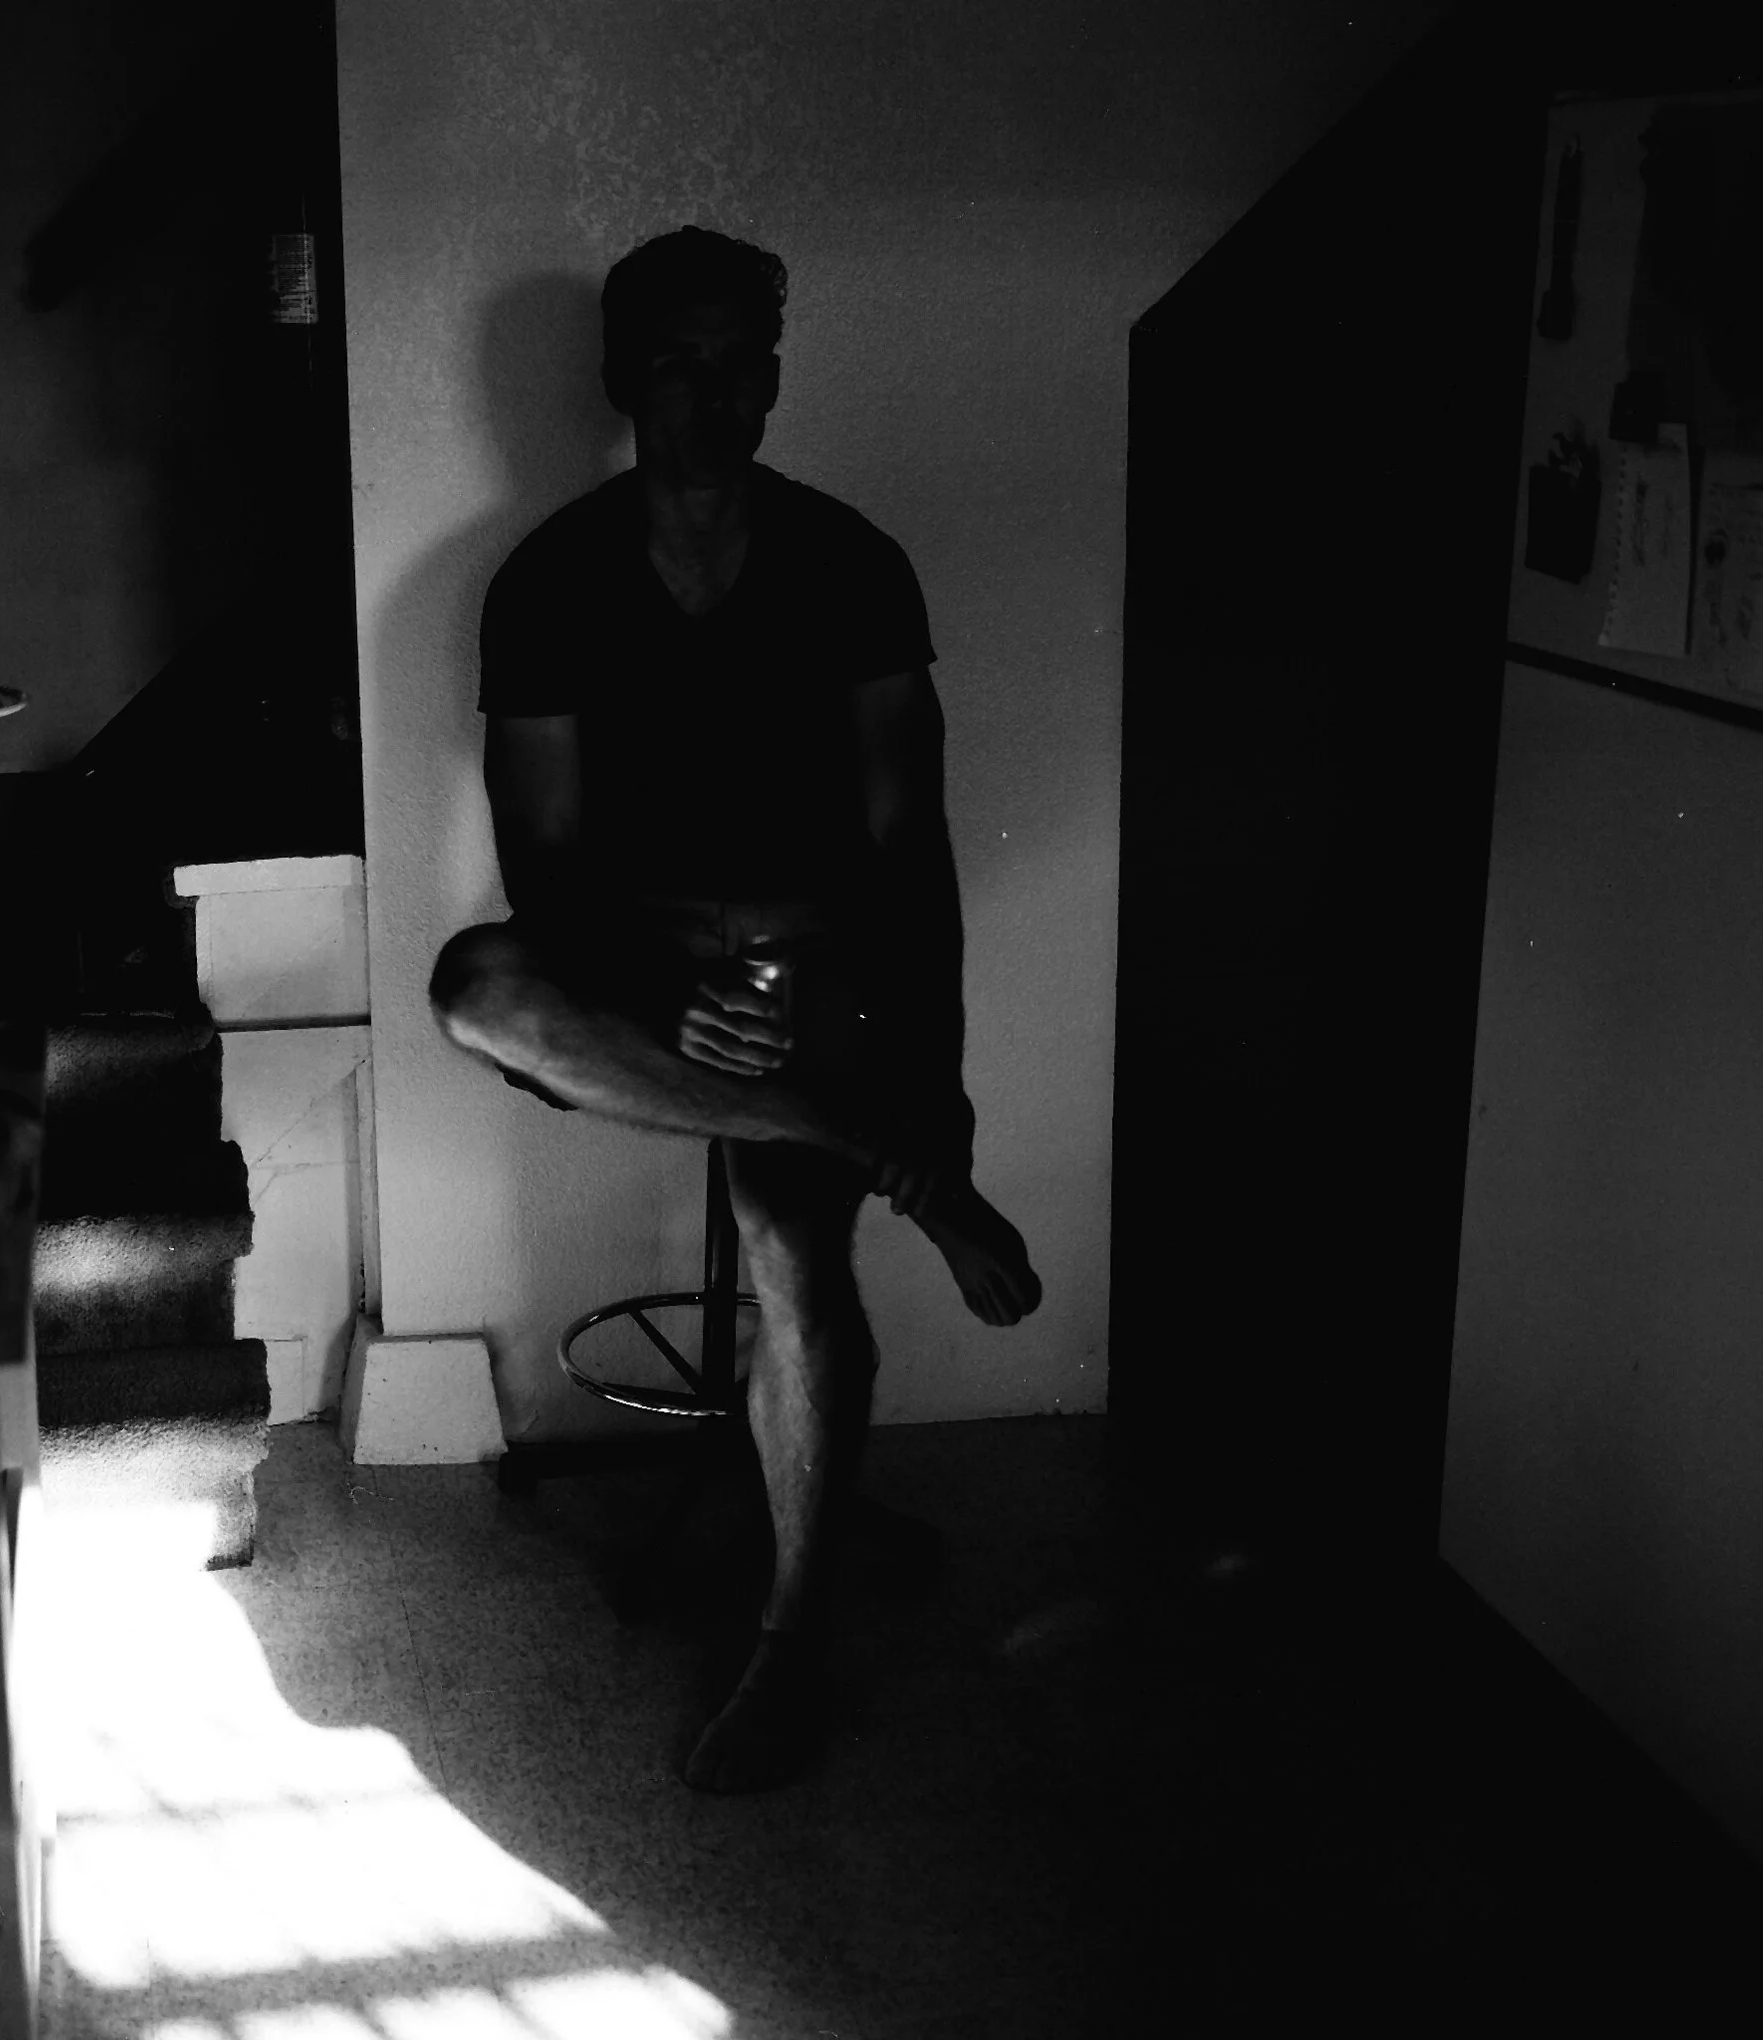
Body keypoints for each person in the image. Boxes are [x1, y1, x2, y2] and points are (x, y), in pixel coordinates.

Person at [428, 226, 1043, 1792]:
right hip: (641, 986)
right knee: (474, 985)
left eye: (741, 362)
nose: (715, 396)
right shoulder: (551, 581)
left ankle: (790, 1644)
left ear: (773, 377)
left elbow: (913, 846)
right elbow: (545, 866)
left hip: (816, 974)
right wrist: (666, 993)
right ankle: (870, 1148)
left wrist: (937, 1070)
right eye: (679, 364)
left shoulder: (853, 563)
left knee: (793, 1247)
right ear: (626, 380)